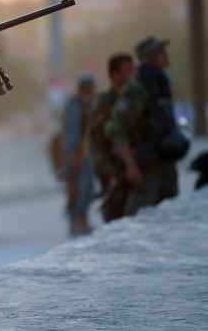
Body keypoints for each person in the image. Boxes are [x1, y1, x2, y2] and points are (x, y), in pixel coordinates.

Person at [106, 36, 189, 217]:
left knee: (168, 222)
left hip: (165, 165)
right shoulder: (137, 87)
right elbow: (117, 128)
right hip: (147, 168)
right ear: (150, 57)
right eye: (160, 52)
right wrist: (131, 166)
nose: (166, 55)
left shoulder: (162, 82)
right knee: (136, 224)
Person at [86, 53, 135, 222]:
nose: (133, 74)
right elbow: (95, 142)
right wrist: (107, 173)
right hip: (114, 170)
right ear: (115, 75)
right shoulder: (104, 102)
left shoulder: (134, 100)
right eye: (128, 70)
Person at [62, 73, 96, 236]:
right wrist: (72, 154)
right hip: (76, 153)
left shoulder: (85, 104)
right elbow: (72, 131)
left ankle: (82, 220)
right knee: (78, 188)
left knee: (86, 187)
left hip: (84, 151)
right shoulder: (75, 106)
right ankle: (76, 221)